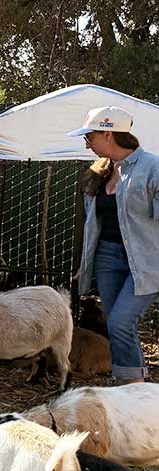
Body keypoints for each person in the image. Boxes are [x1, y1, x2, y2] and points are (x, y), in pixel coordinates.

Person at [70, 105, 159, 383]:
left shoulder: (151, 167)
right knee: (118, 325)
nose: (87, 144)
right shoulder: (99, 172)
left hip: (144, 261)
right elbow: (93, 226)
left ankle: (134, 387)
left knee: (121, 322)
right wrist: (86, 265)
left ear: (108, 134)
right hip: (107, 258)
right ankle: (126, 384)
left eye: (90, 137)